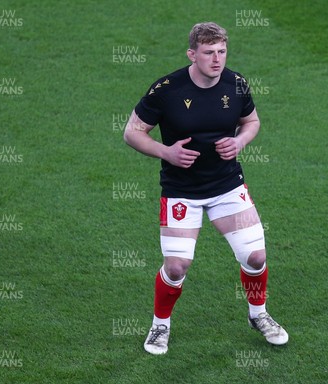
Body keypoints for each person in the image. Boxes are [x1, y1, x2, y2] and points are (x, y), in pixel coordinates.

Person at [123, 22, 288, 355]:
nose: (217, 60)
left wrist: (240, 142)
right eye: (209, 53)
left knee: (256, 257)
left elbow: (252, 121)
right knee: (176, 267)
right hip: (182, 190)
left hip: (227, 186)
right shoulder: (167, 89)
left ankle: (258, 315)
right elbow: (132, 132)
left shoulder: (236, 84)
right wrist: (166, 152)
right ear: (192, 54)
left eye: (222, 52)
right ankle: (160, 325)